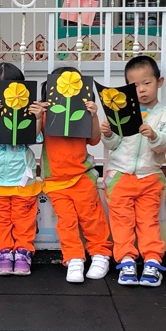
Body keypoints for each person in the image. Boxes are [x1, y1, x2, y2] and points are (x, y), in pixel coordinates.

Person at [100, 55, 166, 286]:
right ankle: (126, 261)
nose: (141, 89)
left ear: (159, 82)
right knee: (121, 223)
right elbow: (113, 145)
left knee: (148, 222)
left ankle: (152, 260)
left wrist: (154, 135)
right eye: (134, 85)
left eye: (147, 83)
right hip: (120, 176)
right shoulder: (121, 110)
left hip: (150, 176)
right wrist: (108, 134)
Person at [32, 76, 111, 284]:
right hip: (56, 180)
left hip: (82, 177)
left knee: (92, 218)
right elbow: (34, 137)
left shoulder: (83, 113)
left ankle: (100, 253)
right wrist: (39, 116)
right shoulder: (46, 116)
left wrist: (93, 115)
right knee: (66, 222)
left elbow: (94, 139)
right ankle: (74, 258)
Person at [0, 63, 42, 276]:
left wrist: (38, 118)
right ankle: (3, 252)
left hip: (22, 176)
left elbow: (34, 137)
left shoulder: (26, 110)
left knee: (24, 218)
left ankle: (23, 252)